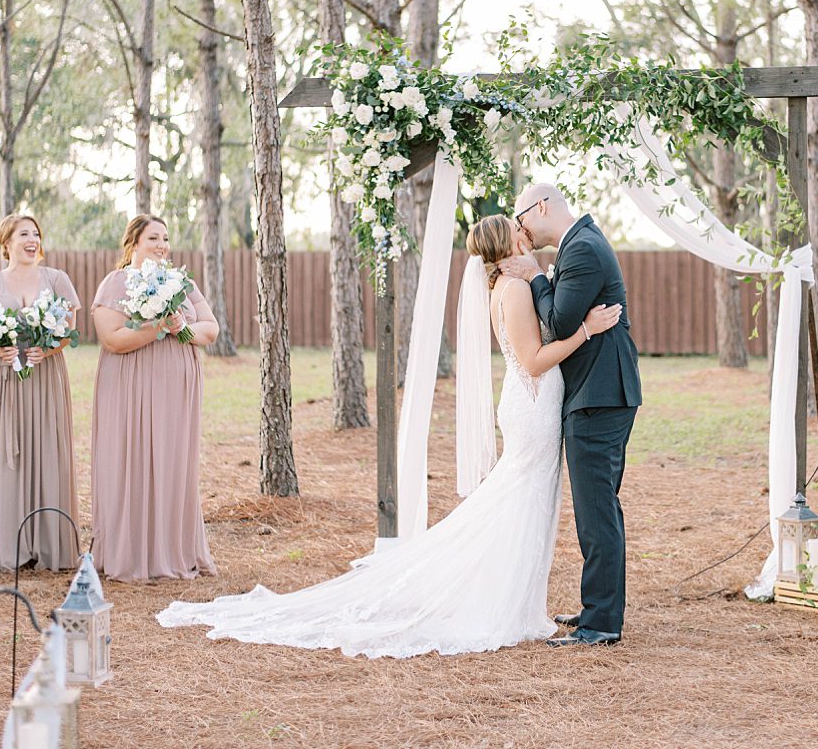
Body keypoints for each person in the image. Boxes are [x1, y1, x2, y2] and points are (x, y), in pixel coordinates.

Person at [159, 214, 622, 657]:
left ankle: (522, 603)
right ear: (511, 244)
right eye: (518, 232)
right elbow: (536, 359)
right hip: (534, 404)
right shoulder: (516, 288)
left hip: (535, 404)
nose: (526, 235)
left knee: (528, 503)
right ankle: (502, 604)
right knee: (518, 502)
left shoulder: (511, 284)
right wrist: (584, 330)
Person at [500, 184, 642, 647]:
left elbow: (560, 322)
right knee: (595, 508)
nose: (521, 230)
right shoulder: (581, 242)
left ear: (541, 207)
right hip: (596, 391)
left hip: (600, 396)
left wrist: (537, 277)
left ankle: (601, 622)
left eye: (521, 219)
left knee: (596, 508)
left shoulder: (582, 248)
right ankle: (596, 608)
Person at [91, 215, 220, 581]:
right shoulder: (116, 282)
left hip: (176, 389)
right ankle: (131, 553)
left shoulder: (182, 283)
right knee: (130, 456)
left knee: (172, 460)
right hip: (130, 385)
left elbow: (210, 329)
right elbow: (112, 339)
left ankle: (173, 549)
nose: (162, 245)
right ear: (133, 243)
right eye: (153, 238)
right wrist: (157, 328)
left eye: (165, 238)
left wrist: (182, 330)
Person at [0, 214, 81, 571]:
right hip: (2, 379)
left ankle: (49, 545)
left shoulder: (57, 279)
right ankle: (10, 546)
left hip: (45, 377)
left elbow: (70, 329)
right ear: (7, 242)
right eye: (23, 234)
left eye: (35, 234)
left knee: (47, 449)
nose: (32, 240)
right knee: (5, 455)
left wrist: (48, 350)